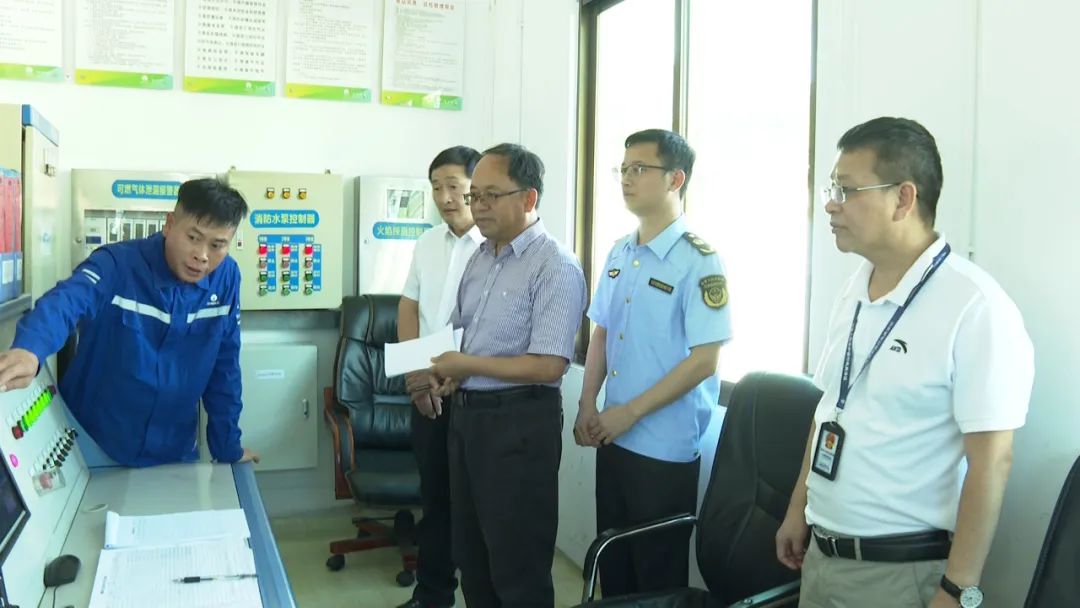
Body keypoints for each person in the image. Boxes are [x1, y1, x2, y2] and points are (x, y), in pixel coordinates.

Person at [775, 117, 1034, 608]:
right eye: (832, 188)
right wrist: (798, 509)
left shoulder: (974, 307)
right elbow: (831, 410)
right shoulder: (854, 288)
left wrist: (957, 589)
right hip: (822, 556)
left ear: (904, 198)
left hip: (900, 574)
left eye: (847, 190)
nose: (830, 203)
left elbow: (992, 461)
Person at [0, 178, 260, 468]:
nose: (202, 255)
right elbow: (67, 300)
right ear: (170, 224)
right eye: (193, 237)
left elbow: (225, 366)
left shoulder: (226, 279)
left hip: (172, 452)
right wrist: (30, 348)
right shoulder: (116, 264)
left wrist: (228, 447)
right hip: (91, 445)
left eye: (217, 245)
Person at [426, 143, 587, 607]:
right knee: (472, 557)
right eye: (474, 195)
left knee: (517, 566)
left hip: (519, 426)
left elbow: (549, 364)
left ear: (529, 198)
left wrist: (466, 365)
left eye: (491, 195)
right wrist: (447, 373)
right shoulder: (480, 257)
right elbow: (462, 334)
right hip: (468, 419)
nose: (478, 206)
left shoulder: (555, 265)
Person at [576, 128, 732, 595]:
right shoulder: (621, 251)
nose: (626, 178)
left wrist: (630, 412)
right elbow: (602, 330)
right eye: (623, 169)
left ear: (675, 179)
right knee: (614, 564)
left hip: (663, 448)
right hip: (611, 433)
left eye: (639, 169)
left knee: (657, 579)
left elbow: (704, 361)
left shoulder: (700, 261)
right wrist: (587, 403)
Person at [397, 145, 484, 608]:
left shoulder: (495, 246)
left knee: (475, 506)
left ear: (477, 186)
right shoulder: (427, 242)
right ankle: (432, 595)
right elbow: (409, 306)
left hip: (474, 391)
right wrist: (415, 371)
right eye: (436, 188)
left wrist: (456, 371)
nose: (445, 197)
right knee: (434, 499)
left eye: (454, 186)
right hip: (427, 391)